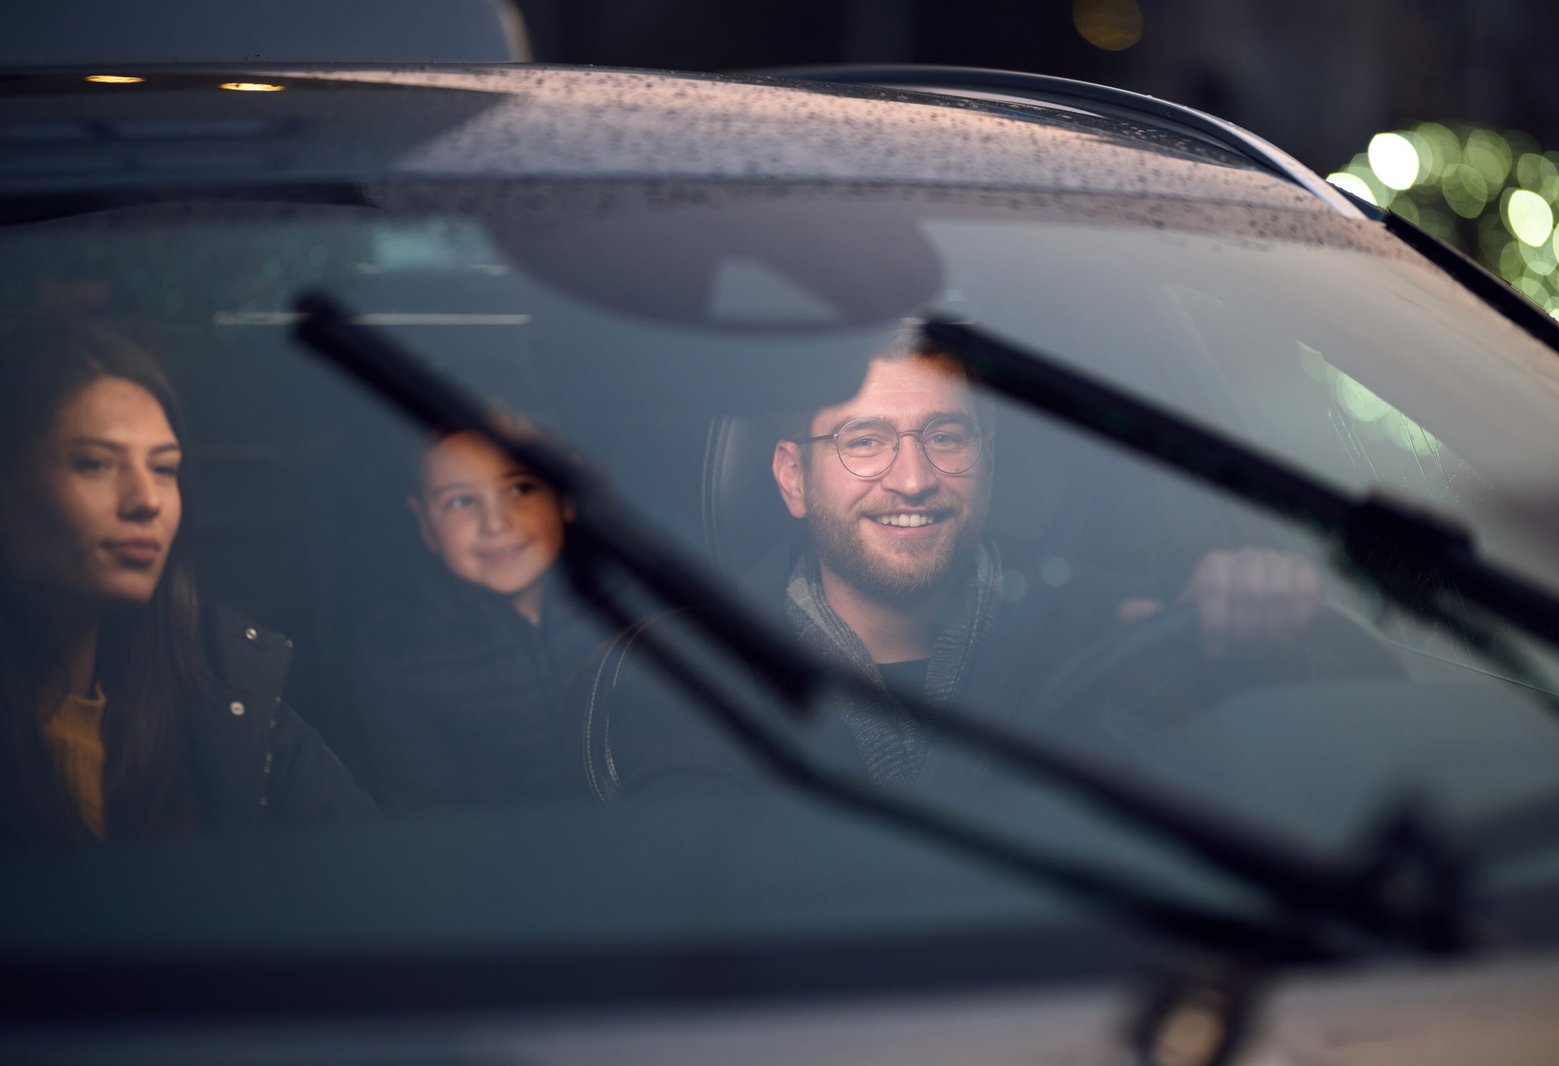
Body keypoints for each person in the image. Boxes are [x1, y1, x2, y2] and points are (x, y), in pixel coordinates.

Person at [602, 335, 1319, 792]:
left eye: (946, 436)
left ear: (988, 461)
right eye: (865, 442)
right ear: (793, 478)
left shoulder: (1113, 628)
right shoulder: (694, 675)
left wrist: (1244, 639)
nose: (914, 479)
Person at [0, 314, 376, 848]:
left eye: (164, 469)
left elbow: (376, 868)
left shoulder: (226, 681)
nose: (147, 501)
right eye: (95, 464)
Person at [354, 428, 601, 813]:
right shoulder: (399, 654)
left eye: (521, 488)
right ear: (425, 524)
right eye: (462, 501)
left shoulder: (629, 609)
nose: (496, 523)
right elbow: (425, 815)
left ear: (566, 493)